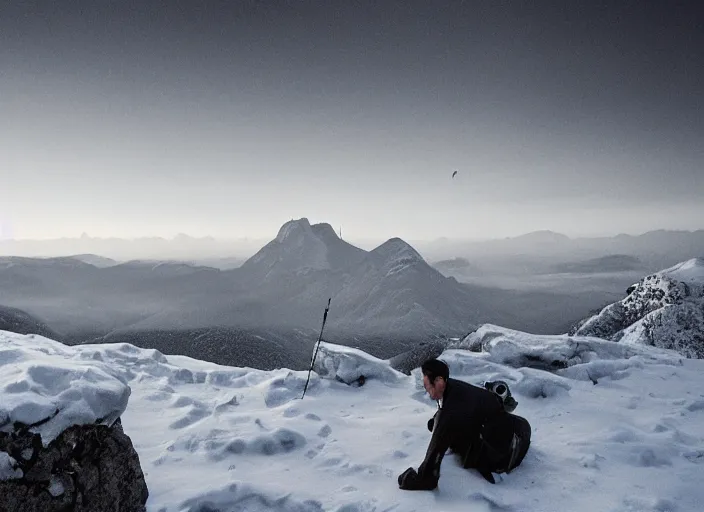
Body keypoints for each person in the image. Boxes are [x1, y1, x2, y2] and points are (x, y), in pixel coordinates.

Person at [397, 358, 531, 490]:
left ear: (439, 382)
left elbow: (433, 464)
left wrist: (419, 479)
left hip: (506, 454)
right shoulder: (454, 388)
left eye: (427, 383)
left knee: (448, 429)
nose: (425, 387)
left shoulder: (452, 411)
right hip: (514, 430)